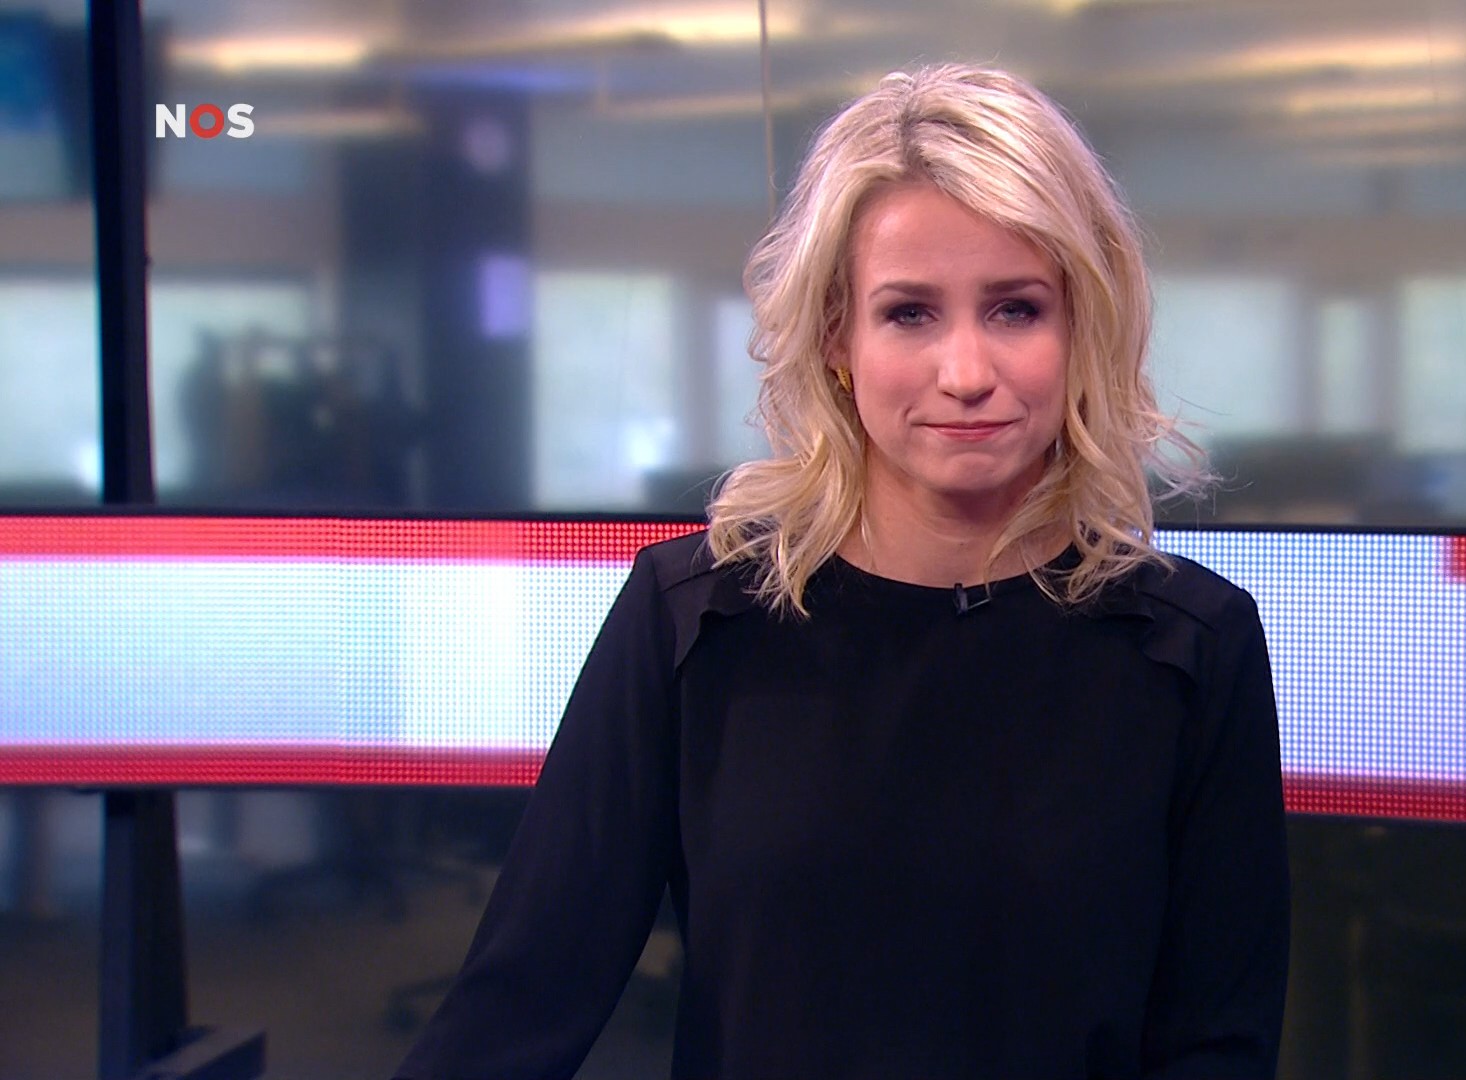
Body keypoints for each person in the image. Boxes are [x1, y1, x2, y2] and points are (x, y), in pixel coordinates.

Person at [393, 63, 1289, 1080]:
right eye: (909, 313)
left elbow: (1216, 1043)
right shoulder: (692, 620)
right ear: (835, 337)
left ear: (1082, 325)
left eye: (1015, 309)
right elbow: (519, 1003)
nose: (966, 372)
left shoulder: (1192, 647)